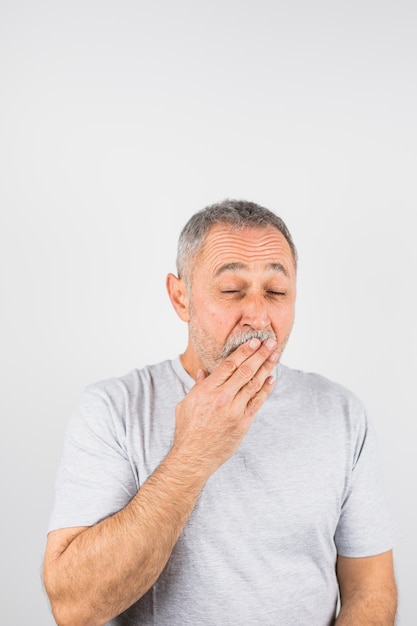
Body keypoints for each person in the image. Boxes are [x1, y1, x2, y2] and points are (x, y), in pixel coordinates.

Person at [43, 199, 399, 626]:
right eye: (231, 291)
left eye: (276, 292)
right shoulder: (113, 409)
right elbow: (74, 607)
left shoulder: (341, 413)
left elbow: (370, 589)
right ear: (181, 298)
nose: (258, 315)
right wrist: (193, 454)